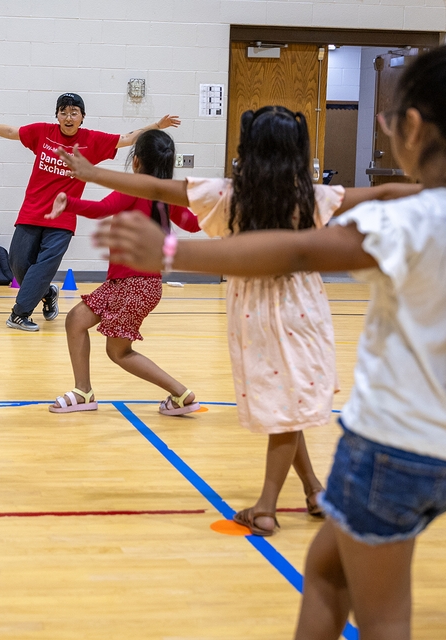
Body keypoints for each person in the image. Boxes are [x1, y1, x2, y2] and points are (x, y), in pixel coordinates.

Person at [91, 43, 446, 640]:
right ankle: (310, 489)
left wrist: (172, 250)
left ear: (416, 128)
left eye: (391, 115)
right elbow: (370, 200)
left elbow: (295, 249)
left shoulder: (416, 222)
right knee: (324, 569)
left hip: (391, 451)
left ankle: (280, 499)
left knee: (382, 614)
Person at [60, 105, 419, 536]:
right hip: (306, 312)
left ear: (245, 151)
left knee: (285, 409)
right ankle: (314, 491)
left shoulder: (229, 194)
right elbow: (383, 194)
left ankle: (267, 506)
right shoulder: (315, 196)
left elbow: (154, 186)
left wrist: (91, 173)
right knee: (290, 406)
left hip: (254, 312)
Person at [0, 93, 180, 332]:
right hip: (31, 211)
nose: (68, 117)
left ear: (82, 117)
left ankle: (19, 313)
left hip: (63, 218)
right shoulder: (43, 132)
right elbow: (10, 132)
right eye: (63, 112)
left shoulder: (92, 141)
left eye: (74, 113)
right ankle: (47, 292)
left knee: (44, 266)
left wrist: (157, 126)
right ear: (57, 115)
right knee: (18, 263)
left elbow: (127, 139)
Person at [44, 130, 202, 415]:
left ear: (137, 161)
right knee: (76, 320)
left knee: (119, 352)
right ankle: (83, 392)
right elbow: (193, 224)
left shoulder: (135, 186)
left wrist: (70, 203)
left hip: (134, 285)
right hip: (130, 284)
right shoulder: (167, 194)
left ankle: (182, 394)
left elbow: (103, 208)